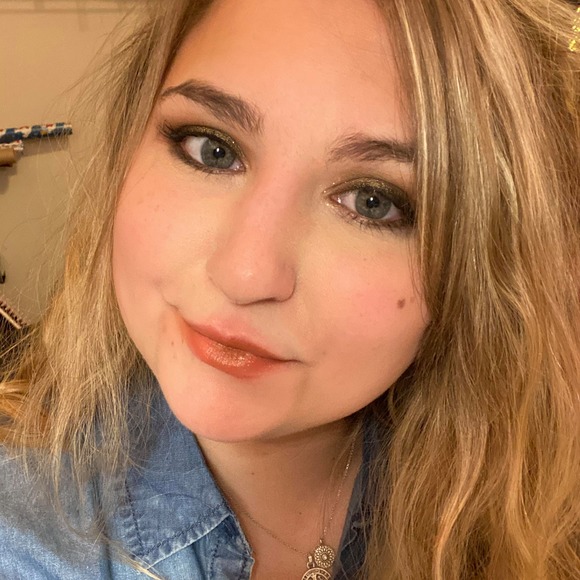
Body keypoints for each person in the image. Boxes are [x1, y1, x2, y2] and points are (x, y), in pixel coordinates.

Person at [1, 0, 579, 578]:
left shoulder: (535, 514)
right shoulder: (25, 543)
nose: (245, 275)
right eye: (212, 150)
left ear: (488, 267)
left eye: (371, 202)